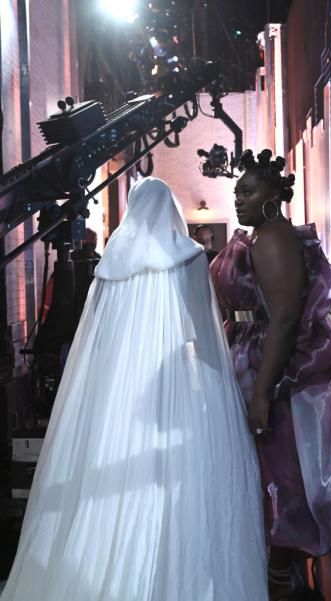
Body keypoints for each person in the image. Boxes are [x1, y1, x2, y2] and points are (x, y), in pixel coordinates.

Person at [1, 177, 268, 601]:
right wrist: (222, 387)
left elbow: (98, 339)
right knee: (187, 486)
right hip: (178, 386)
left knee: (114, 484)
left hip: (122, 391)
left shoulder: (111, 263)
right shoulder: (189, 258)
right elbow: (202, 333)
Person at [210, 149, 331, 601]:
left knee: (278, 469)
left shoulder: (273, 238)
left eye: (249, 191)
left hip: (269, 367)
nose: (239, 199)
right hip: (253, 358)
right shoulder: (262, 235)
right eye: (237, 191)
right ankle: (276, 573)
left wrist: (261, 393)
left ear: (274, 194)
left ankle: (280, 576)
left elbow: (282, 318)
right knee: (268, 469)